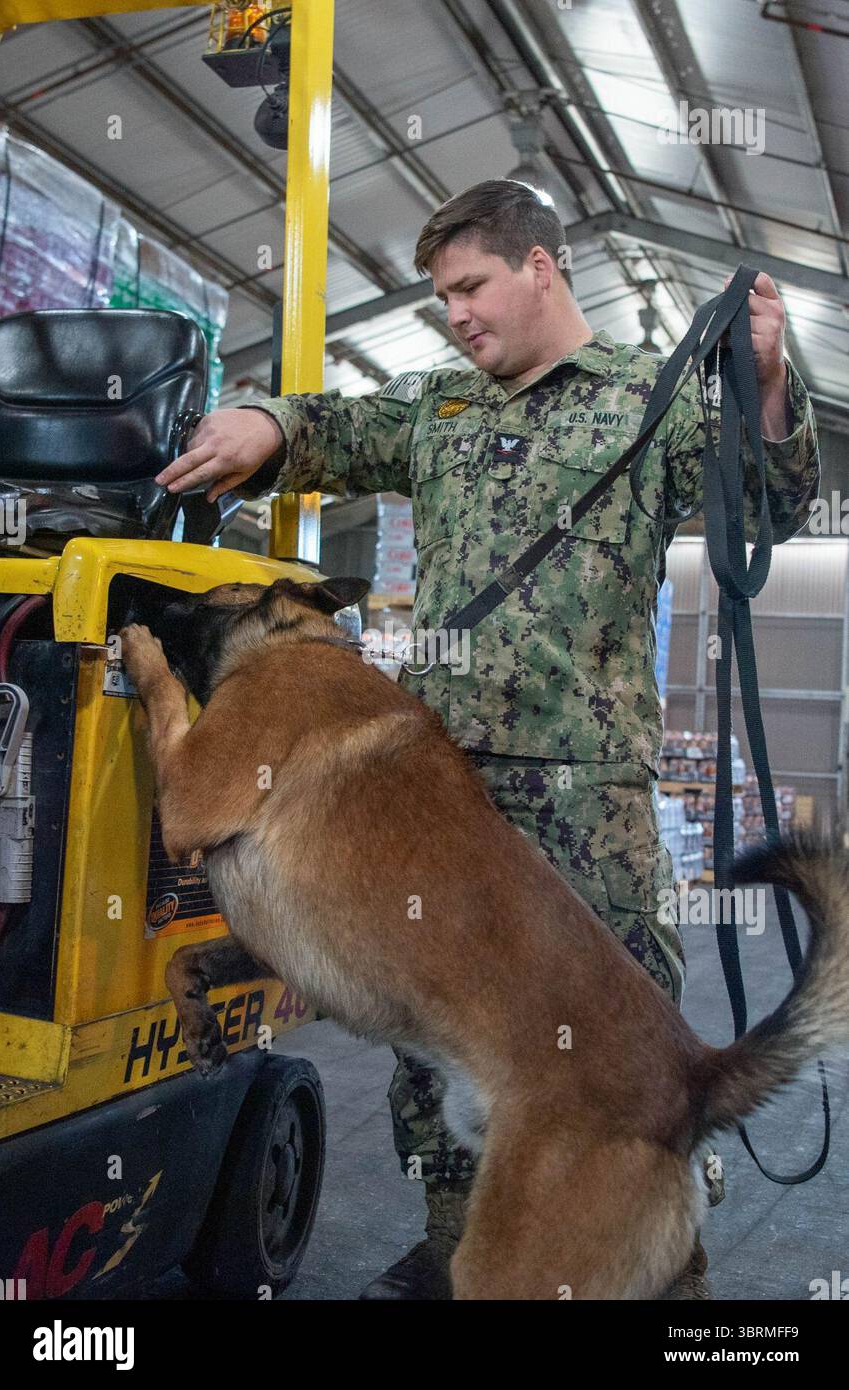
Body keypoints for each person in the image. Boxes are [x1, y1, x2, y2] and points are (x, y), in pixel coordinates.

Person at [156, 180, 820, 1300]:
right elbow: (335, 429)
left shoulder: (644, 401)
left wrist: (762, 381)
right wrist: (265, 418)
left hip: (582, 813)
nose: (454, 314)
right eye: (439, 298)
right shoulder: (440, 409)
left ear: (540, 267)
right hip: (434, 805)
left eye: (469, 287)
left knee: (620, 1100)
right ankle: (464, 1248)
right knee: (436, 1082)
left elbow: (762, 505)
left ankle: (644, 1282)